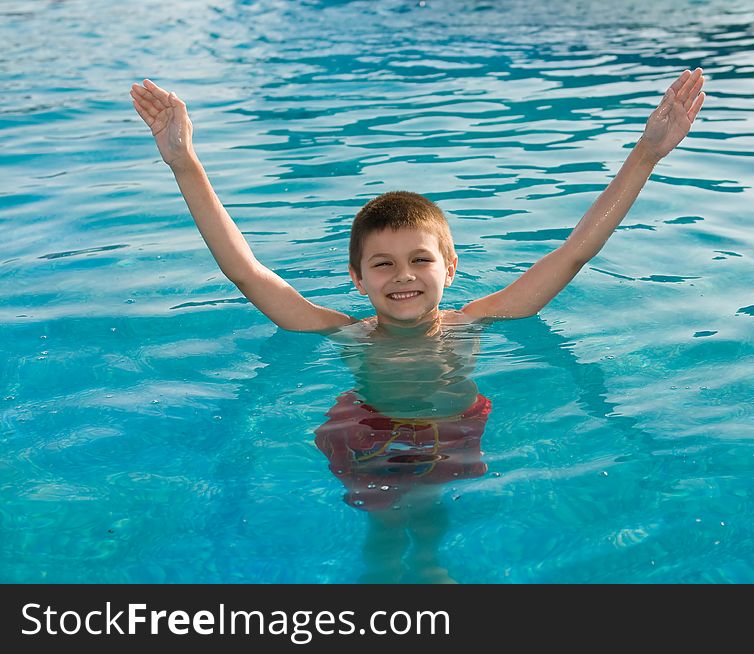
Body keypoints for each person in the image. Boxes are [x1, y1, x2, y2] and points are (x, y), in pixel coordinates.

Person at [130, 70, 705, 518]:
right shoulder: (345, 332)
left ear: (449, 268)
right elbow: (248, 274)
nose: (403, 276)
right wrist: (185, 163)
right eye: (382, 264)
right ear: (358, 278)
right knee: (382, 526)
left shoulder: (475, 322)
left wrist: (647, 153)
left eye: (419, 261)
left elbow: (574, 252)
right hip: (366, 426)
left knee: (428, 523)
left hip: (451, 428)